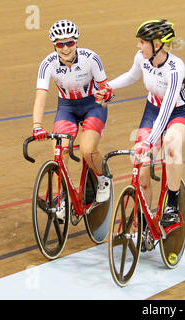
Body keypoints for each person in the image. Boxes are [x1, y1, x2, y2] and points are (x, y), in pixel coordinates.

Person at [95, 19, 185, 227]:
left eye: (142, 42)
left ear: (157, 44)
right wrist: (109, 87)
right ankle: (142, 222)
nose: (138, 46)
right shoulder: (141, 58)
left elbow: (168, 107)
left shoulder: (175, 68)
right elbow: (131, 76)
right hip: (152, 111)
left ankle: (172, 201)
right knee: (141, 169)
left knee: (170, 144)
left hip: (178, 112)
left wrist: (150, 141)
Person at [32, 19, 112, 204]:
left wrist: (106, 95)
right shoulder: (47, 64)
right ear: (54, 45)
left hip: (93, 106)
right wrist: (37, 126)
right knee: (60, 151)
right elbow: (40, 97)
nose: (66, 48)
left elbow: (105, 87)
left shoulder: (91, 58)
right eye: (60, 44)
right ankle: (58, 197)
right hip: (67, 108)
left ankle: (102, 179)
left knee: (87, 149)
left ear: (76, 41)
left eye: (70, 42)